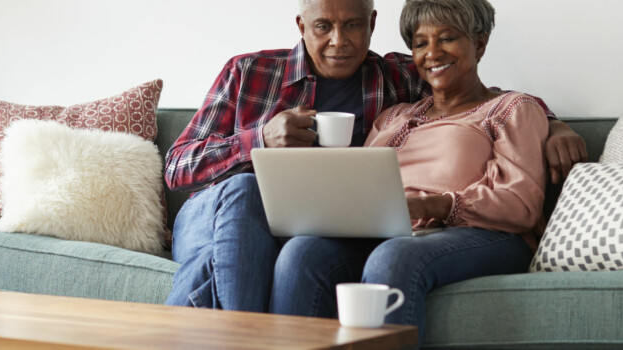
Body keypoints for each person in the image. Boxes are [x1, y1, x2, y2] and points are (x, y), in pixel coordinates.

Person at [163, 0, 585, 312]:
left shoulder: (394, 80)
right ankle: (244, 338)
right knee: (245, 189)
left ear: (372, 24)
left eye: (352, 25)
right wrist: (257, 140)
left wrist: (557, 124)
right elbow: (177, 165)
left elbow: (485, 100)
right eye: (324, 26)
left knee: (298, 251)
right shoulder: (249, 71)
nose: (339, 41)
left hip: (359, 227)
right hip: (215, 209)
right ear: (301, 25)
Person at [268, 0, 543, 343]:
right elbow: (361, 185)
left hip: (486, 235)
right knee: (301, 252)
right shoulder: (394, 115)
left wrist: (430, 205)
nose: (432, 53)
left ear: (480, 43)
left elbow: (521, 204)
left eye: (447, 38)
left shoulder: (511, 109)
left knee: (393, 257)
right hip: (392, 232)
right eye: (420, 43)